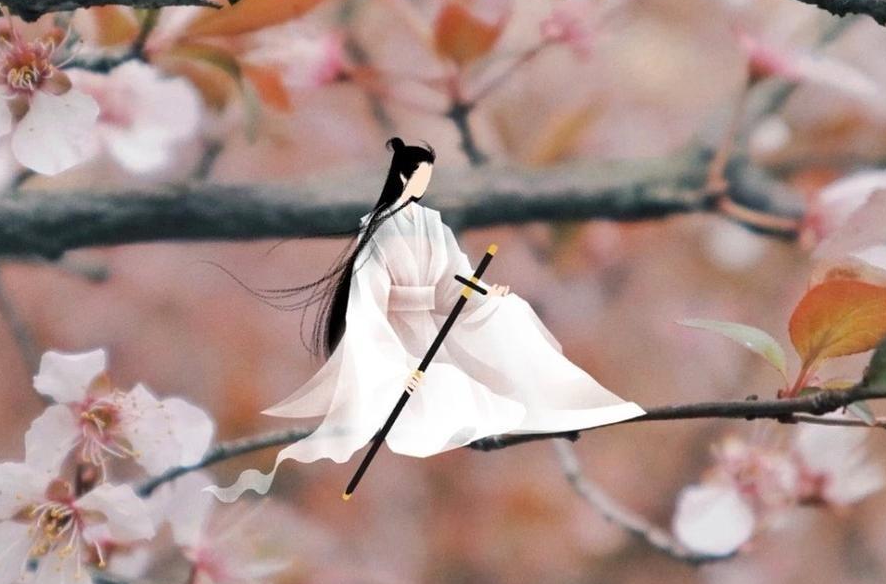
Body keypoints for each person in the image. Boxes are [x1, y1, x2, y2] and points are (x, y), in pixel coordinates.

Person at [209, 138, 644, 501]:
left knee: (511, 317)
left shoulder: (433, 222)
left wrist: (485, 292)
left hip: (437, 315)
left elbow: (452, 274)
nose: (424, 184)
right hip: (398, 324)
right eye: (418, 175)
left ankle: (555, 402)